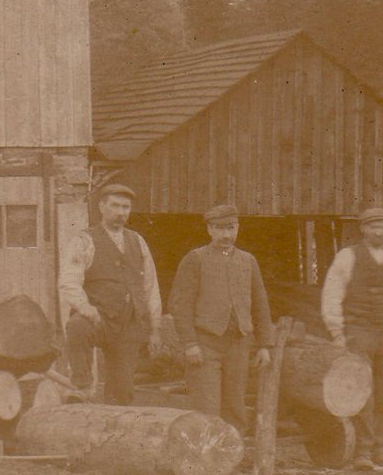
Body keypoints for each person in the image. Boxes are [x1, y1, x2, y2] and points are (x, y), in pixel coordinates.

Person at [321, 207, 383, 471]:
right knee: (363, 392)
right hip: (359, 333)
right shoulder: (346, 257)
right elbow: (332, 295)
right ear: (363, 229)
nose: (378, 231)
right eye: (373, 226)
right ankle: (362, 451)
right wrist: (337, 333)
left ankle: (381, 449)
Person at [169, 203, 273, 432]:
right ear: (209, 230)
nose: (227, 235)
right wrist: (189, 343)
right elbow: (180, 305)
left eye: (231, 228)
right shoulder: (195, 259)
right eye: (220, 229)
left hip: (238, 344)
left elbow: (260, 305)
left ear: (238, 228)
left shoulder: (248, 261)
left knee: (235, 406)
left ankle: (231, 461)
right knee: (206, 406)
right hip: (206, 344)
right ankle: (205, 463)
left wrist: (265, 344)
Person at [59, 183, 164, 405]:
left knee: (123, 393)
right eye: (115, 206)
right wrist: (86, 308)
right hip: (99, 318)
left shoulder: (138, 242)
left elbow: (150, 287)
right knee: (77, 326)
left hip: (128, 323)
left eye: (125, 207)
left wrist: (155, 329)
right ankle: (82, 386)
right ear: (101, 207)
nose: (120, 213)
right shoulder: (84, 240)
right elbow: (69, 281)